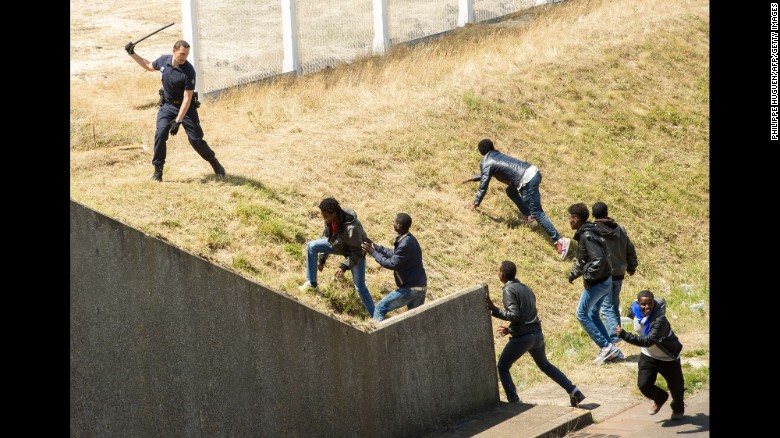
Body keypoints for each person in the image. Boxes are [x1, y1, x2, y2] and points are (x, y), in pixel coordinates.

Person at [486, 260, 586, 407]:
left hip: (523, 338)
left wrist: (494, 309)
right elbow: (527, 316)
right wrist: (511, 329)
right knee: (545, 365)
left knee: (502, 366)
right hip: (536, 335)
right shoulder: (525, 288)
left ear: (501, 274)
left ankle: (514, 401)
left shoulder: (508, 289)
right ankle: (573, 390)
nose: (497, 273)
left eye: (498, 271)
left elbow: (514, 315)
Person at [125, 39, 225, 182]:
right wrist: (132, 53)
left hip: (186, 108)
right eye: (182, 54)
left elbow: (187, 98)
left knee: (196, 140)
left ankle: (214, 162)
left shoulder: (189, 71)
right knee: (160, 134)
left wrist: (178, 120)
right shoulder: (163, 61)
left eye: (186, 55)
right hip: (167, 106)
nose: (184, 57)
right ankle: (158, 171)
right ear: (174, 51)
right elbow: (148, 65)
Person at [461, 138, 570, 259]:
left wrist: (475, 203)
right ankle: (529, 216)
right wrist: (472, 178)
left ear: (481, 151)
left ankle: (560, 239)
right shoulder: (496, 155)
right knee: (510, 191)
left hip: (526, 180)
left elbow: (484, 184)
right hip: (532, 172)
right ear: (491, 147)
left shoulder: (486, 161)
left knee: (537, 212)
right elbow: (486, 174)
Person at [566, 203, 622, 364]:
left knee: (581, 313)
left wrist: (588, 278)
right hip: (605, 280)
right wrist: (573, 275)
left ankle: (606, 347)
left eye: (570, 218)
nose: (568, 221)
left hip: (599, 282)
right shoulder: (587, 232)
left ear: (576, 219)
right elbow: (583, 260)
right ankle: (613, 350)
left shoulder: (587, 235)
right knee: (592, 314)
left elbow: (598, 260)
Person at [299, 197, 375, 317]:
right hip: (339, 245)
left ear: (333, 212)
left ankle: (376, 316)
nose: (324, 219)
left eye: (326, 216)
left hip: (355, 253)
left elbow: (359, 251)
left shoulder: (352, 228)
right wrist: (322, 259)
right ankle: (311, 282)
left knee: (360, 287)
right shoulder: (330, 220)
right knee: (311, 246)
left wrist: (344, 266)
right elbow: (327, 237)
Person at [616, 290, 684, 420]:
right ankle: (660, 398)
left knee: (676, 388)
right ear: (638, 304)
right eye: (643, 304)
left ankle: (678, 409)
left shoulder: (660, 320)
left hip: (668, 357)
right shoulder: (634, 311)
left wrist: (624, 335)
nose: (647, 307)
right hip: (648, 356)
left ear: (653, 302)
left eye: (650, 303)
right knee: (644, 385)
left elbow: (648, 341)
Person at [592, 201, 638, 360]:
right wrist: (632, 265)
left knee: (606, 307)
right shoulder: (620, 229)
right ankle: (619, 333)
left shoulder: (594, 231)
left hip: (605, 273)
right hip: (619, 272)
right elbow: (629, 248)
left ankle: (614, 337)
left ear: (593, 215)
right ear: (606, 213)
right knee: (614, 304)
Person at [360, 213, 427, 321]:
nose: (392, 223)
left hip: (411, 289)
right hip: (421, 287)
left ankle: (378, 336)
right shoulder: (409, 239)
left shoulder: (406, 243)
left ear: (399, 226)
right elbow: (395, 254)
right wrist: (376, 247)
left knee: (379, 308)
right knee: (415, 321)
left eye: (394, 222)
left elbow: (392, 263)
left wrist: (372, 252)